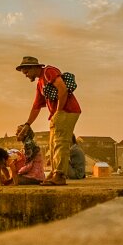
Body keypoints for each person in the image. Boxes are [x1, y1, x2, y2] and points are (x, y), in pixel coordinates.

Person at [15, 55, 81, 185]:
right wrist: (27, 124)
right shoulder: (40, 83)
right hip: (57, 114)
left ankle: (60, 175)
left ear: (34, 68)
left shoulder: (48, 71)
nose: (26, 75)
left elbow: (62, 89)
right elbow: (36, 107)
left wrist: (58, 112)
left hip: (67, 111)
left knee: (60, 142)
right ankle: (54, 172)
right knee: (52, 144)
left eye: (27, 72)